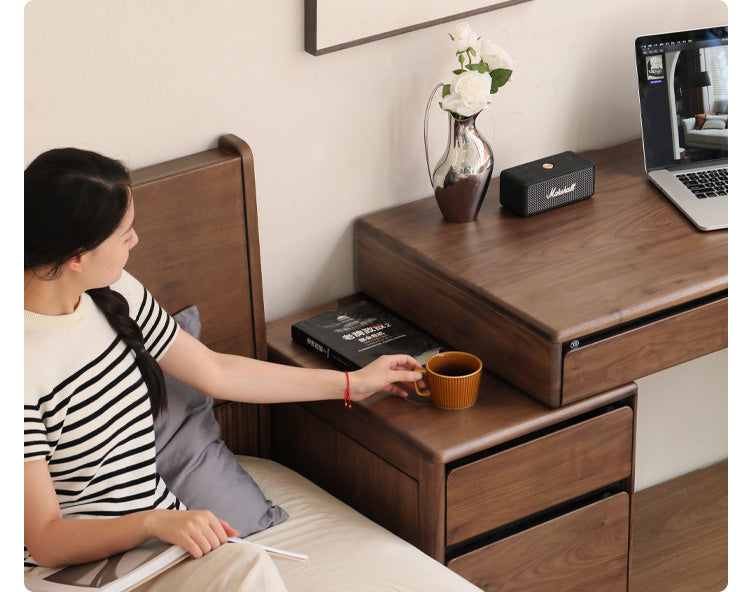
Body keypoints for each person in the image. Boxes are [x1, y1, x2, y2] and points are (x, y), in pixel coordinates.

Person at [24, 148, 424, 589]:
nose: (135, 241)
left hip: (159, 550)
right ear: (77, 256)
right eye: (125, 234)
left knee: (247, 567)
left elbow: (217, 372)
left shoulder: (111, 290)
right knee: (247, 571)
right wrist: (152, 523)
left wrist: (352, 382)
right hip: (82, 573)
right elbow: (45, 540)